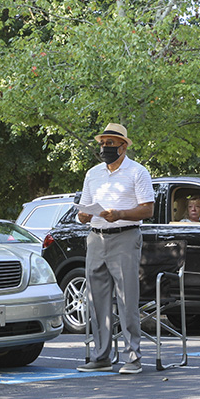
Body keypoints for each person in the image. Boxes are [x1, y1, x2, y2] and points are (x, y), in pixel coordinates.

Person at [76, 123, 154, 375]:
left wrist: (119, 213)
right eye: (102, 143)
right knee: (96, 299)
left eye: (110, 143)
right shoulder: (92, 174)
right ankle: (101, 356)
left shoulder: (137, 172)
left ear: (123, 146)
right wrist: (84, 216)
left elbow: (147, 209)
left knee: (126, 298)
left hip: (124, 237)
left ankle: (133, 357)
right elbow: (83, 209)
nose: (105, 148)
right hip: (96, 238)